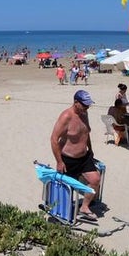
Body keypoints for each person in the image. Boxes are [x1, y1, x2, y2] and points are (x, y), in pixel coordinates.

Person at [50, 90, 102, 221]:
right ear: (76, 102)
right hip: (68, 159)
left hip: (84, 157)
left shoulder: (85, 113)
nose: (87, 107)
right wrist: (59, 161)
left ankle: (84, 207)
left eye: (88, 105)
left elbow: (85, 132)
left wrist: (90, 148)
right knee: (67, 188)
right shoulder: (66, 116)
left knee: (95, 179)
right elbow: (54, 139)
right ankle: (61, 211)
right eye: (84, 105)